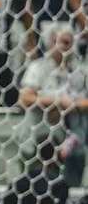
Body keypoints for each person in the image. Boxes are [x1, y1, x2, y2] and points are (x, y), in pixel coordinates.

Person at [18, 25, 88, 188]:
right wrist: (57, 101)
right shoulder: (38, 67)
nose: (68, 47)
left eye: (71, 43)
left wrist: (72, 105)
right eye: (63, 42)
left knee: (71, 193)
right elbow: (25, 98)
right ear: (51, 43)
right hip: (38, 142)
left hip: (72, 144)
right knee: (34, 191)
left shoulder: (80, 72)